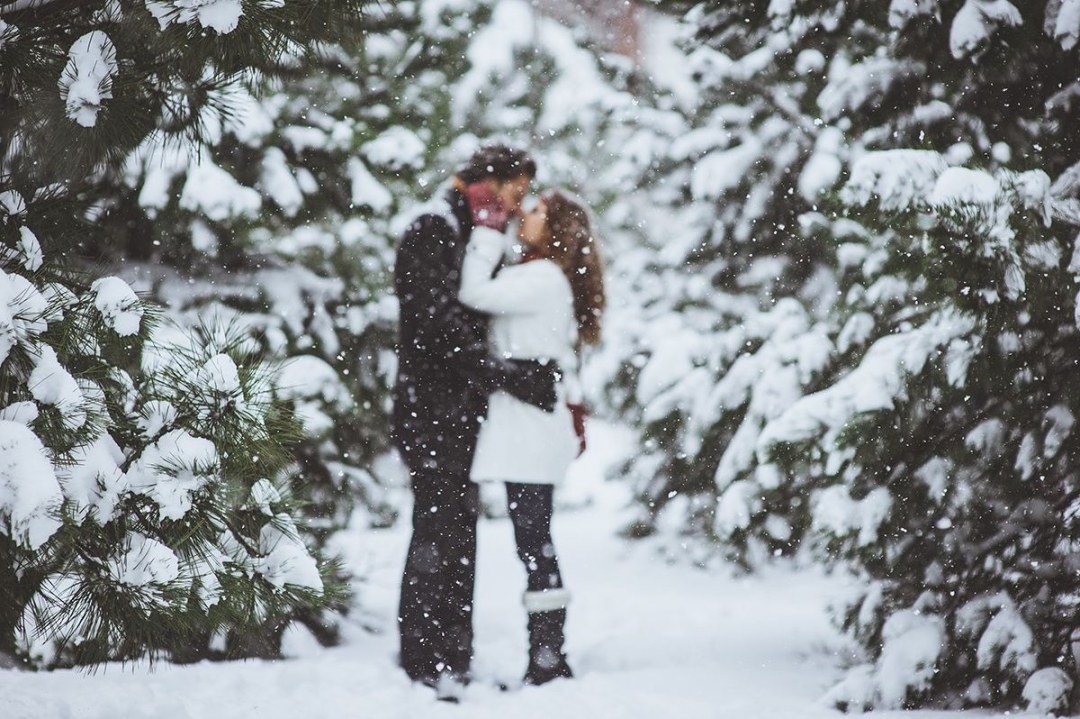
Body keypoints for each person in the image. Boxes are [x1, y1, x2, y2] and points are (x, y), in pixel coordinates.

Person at [392, 145, 561, 700]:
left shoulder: (474, 233)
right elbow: (434, 328)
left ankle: (453, 655)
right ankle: (423, 657)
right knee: (438, 529)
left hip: (462, 411)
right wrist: (507, 375)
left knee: (460, 530)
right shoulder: (432, 228)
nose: (517, 207)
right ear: (487, 182)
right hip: (430, 411)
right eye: (515, 192)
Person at [458, 189, 606, 686]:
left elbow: (474, 293)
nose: (525, 213)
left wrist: (485, 230)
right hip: (529, 425)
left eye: (537, 210)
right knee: (533, 541)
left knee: (533, 541)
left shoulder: (541, 278)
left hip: (531, 429)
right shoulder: (541, 274)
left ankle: (548, 658)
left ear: (557, 226)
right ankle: (547, 655)